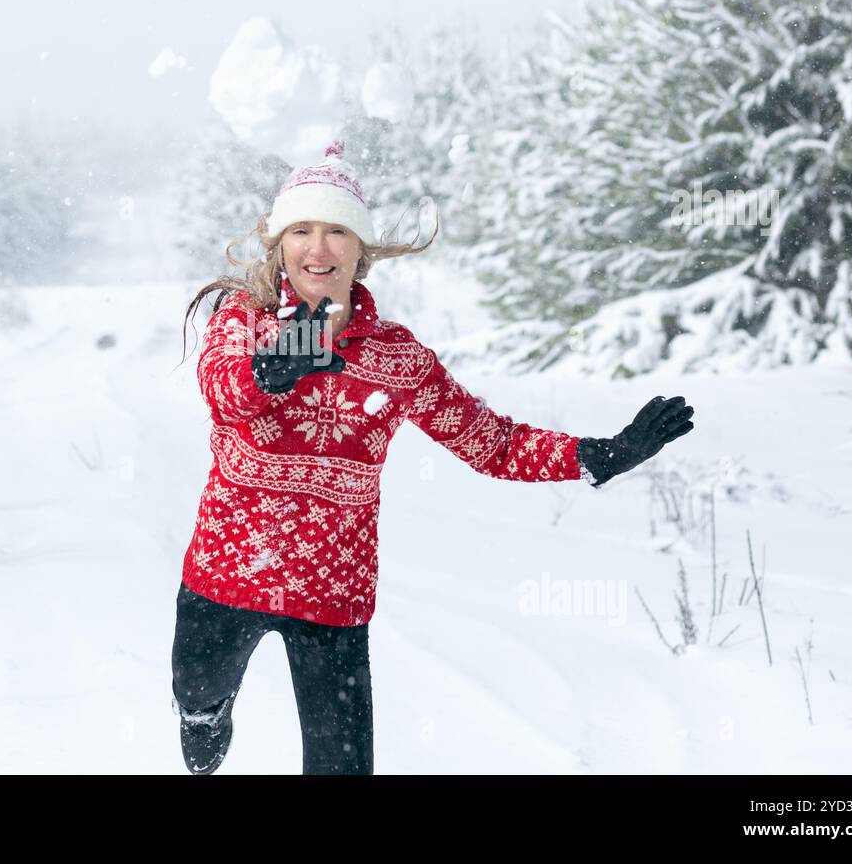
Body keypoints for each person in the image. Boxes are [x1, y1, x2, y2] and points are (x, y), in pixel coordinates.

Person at [171, 141, 695, 774]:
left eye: (337, 230)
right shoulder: (244, 321)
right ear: (280, 244)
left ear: (361, 251)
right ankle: (206, 715)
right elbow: (220, 390)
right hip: (228, 574)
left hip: (333, 592)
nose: (318, 248)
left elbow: (492, 443)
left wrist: (600, 455)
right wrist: (271, 369)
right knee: (196, 706)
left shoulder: (397, 359)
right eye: (302, 230)